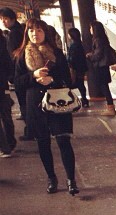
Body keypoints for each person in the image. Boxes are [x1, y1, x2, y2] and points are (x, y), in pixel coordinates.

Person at [14, 18, 79, 194]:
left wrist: (53, 79)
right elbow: (17, 83)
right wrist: (34, 76)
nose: (35, 34)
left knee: (63, 141)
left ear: (46, 33)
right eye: (32, 31)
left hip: (58, 102)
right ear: (27, 33)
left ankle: (71, 180)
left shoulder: (57, 53)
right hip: (35, 104)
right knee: (43, 143)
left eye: (39, 30)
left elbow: (68, 79)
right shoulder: (21, 56)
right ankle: (51, 178)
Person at [0, 7, 28, 137]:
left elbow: (12, 56)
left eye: (5, 18)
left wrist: (11, 75)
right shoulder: (20, 30)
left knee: (24, 101)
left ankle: (31, 130)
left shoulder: (14, 33)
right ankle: (32, 129)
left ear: (12, 18)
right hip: (23, 70)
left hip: (19, 71)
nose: (3, 21)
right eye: (1, 19)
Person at [86, 21, 116, 117]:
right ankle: (110, 107)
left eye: (91, 28)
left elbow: (98, 54)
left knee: (104, 87)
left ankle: (111, 108)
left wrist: (90, 55)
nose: (90, 30)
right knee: (104, 86)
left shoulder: (98, 40)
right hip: (104, 66)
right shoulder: (103, 39)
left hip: (101, 66)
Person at [0, 29, 16, 156]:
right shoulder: (3, 42)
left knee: (5, 115)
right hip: (2, 83)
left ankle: (4, 147)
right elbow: (8, 64)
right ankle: (10, 143)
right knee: (6, 114)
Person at [66, 27, 88, 107]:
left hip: (74, 68)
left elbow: (71, 58)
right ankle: (84, 100)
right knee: (81, 84)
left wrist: (68, 62)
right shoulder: (80, 44)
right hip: (81, 68)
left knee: (71, 84)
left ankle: (72, 101)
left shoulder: (73, 45)